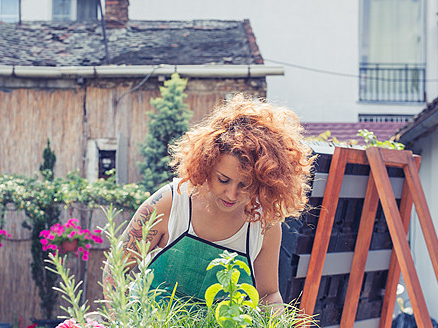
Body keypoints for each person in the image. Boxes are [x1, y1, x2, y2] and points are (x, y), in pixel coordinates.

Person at [109, 93, 314, 306]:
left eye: (245, 185)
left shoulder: (264, 224)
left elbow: (268, 295)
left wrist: (280, 326)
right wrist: (121, 321)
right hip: (149, 324)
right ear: (207, 164)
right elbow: (115, 269)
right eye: (223, 180)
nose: (232, 194)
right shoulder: (170, 202)